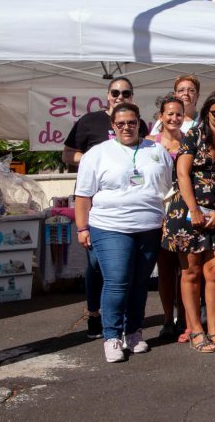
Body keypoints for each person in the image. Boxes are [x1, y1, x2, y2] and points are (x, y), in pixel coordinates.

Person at [74, 103, 173, 363]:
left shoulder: (157, 150)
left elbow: (166, 188)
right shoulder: (97, 154)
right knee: (117, 281)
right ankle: (112, 336)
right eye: (120, 124)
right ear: (113, 126)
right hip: (109, 227)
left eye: (132, 122)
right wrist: (82, 227)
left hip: (149, 228)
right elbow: (83, 196)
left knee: (140, 284)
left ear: (140, 123)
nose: (127, 127)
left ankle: (134, 333)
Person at [63, 76, 142, 339]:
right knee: (96, 264)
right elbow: (66, 154)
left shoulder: (135, 123)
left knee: (123, 268)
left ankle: (124, 322)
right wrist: (94, 160)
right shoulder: (89, 121)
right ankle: (94, 314)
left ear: (131, 96)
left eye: (126, 93)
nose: (120, 97)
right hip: (94, 203)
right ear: (107, 95)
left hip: (126, 206)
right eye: (115, 92)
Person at [162, 91, 215, 353]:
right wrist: (194, 209)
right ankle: (195, 330)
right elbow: (182, 173)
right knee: (191, 272)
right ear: (207, 112)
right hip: (187, 213)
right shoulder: (193, 136)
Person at [146, 95, 186, 340]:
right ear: (160, 116)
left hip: (184, 211)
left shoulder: (190, 142)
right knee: (166, 269)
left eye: (178, 114)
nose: (174, 118)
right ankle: (166, 319)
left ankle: (183, 318)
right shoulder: (149, 144)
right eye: (169, 113)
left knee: (186, 269)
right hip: (159, 210)